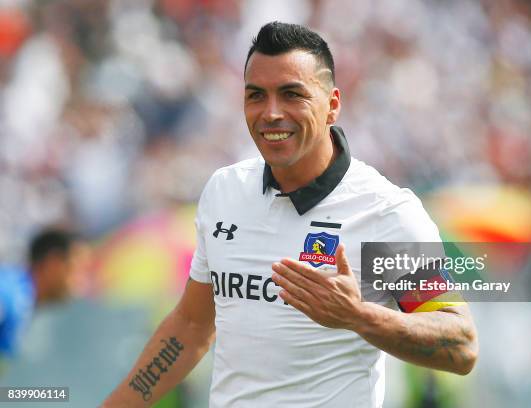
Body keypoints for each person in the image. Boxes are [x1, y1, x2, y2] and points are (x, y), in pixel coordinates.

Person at [102, 21, 478, 408]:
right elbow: (193, 326)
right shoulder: (224, 192)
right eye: (256, 96)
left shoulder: (384, 212)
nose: (271, 113)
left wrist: (359, 317)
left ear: (332, 105)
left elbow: (461, 344)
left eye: (291, 94)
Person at [0, 228, 75, 363]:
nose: (78, 280)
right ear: (54, 264)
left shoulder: (25, 302)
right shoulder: (9, 293)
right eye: (72, 268)